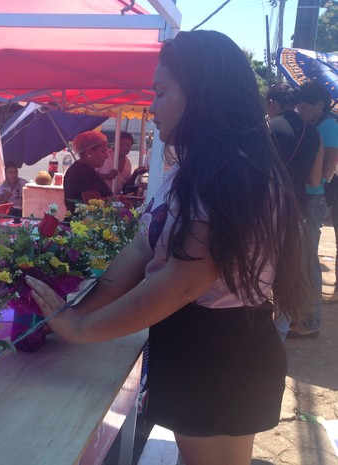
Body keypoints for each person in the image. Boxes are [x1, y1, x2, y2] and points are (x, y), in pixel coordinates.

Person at [28, 30, 310, 465]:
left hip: (219, 351)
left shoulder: (230, 175)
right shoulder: (196, 170)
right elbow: (143, 248)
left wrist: (82, 330)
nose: (152, 107)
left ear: (201, 94)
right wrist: (80, 312)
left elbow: (180, 282)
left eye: (161, 93)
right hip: (200, 344)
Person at [266, 83, 323, 340]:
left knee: (258, 269)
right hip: (297, 211)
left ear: (272, 103)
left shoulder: (267, 128)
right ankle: (279, 333)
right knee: (287, 273)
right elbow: (314, 181)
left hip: (265, 209)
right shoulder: (314, 134)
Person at [296, 81, 338, 309]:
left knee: (309, 258)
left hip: (316, 195)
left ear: (320, 105)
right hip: (312, 194)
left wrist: (317, 182)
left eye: (304, 108)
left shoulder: (328, 126)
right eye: (298, 108)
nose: (300, 113)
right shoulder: (318, 124)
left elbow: (330, 167)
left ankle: (310, 318)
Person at [63, 131, 113, 213]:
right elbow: (94, 207)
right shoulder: (85, 173)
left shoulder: (75, 169)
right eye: (103, 152)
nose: (106, 156)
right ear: (89, 152)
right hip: (85, 224)